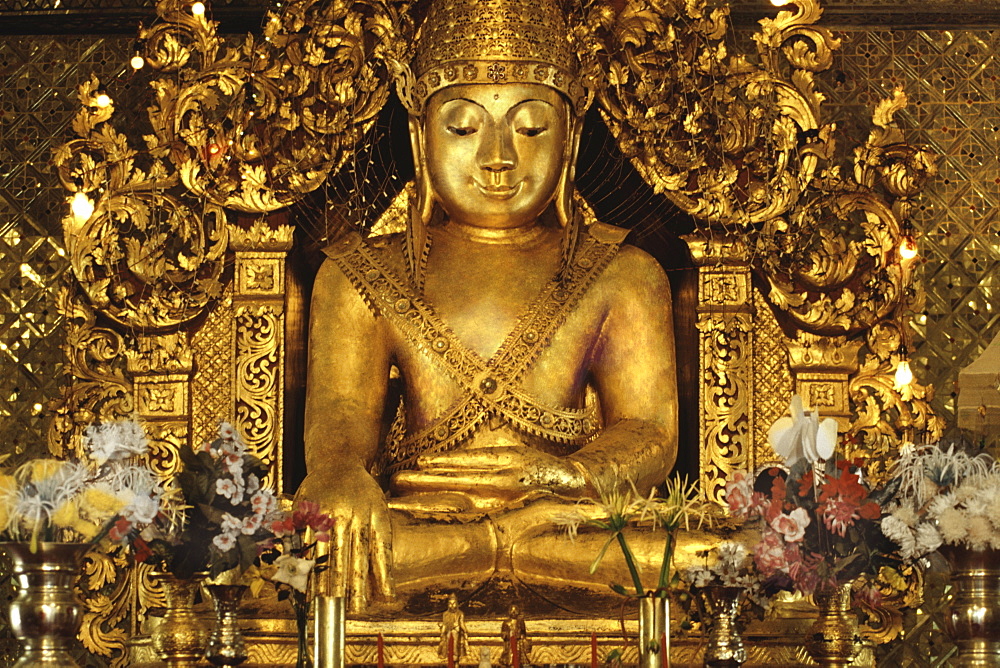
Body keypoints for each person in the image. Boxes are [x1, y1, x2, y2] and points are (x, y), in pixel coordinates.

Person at [297, 0, 678, 616]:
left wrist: (567, 477)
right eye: (463, 128)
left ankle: (493, 547)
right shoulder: (359, 273)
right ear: (420, 136)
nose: (498, 156)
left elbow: (649, 432)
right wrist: (340, 476)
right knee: (322, 547)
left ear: (570, 135)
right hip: (418, 522)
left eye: (529, 128)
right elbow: (342, 424)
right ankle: (494, 546)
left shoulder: (625, 274)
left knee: (694, 556)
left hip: (567, 527)